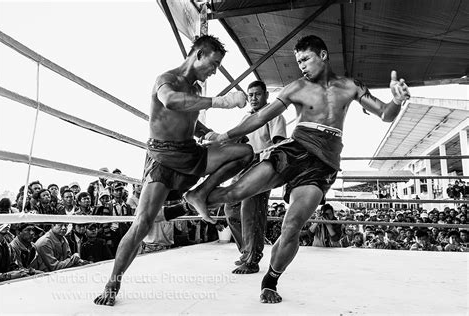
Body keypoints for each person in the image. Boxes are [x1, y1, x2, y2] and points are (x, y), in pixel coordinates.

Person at [193, 35, 410, 303]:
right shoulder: (296, 87)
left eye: (305, 59)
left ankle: (270, 279)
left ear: (323, 55)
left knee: (292, 225)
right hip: (295, 148)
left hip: (322, 164)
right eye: (298, 61)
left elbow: (385, 114)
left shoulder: (350, 86)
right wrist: (225, 135)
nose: (302, 66)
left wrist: (397, 100)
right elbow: (261, 116)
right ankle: (181, 205)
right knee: (237, 192)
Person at [94, 34, 253, 306]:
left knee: (244, 152)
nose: (214, 71)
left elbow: (189, 118)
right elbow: (170, 102)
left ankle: (199, 194)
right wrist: (221, 102)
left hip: (191, 152)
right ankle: (113, 281)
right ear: (198, 54)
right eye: (213, 64)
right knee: (143, 222)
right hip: (162, 157)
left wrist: (211, 132)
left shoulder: (197, 89)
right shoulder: (166, 79)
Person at [224, 80, 287, 274]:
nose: (253, 98)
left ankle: (252, 259)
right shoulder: (246, 118)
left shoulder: (274, 116)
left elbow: (279, 143)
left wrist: (273, 171)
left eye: (257, 94)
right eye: (250, 95)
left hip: (262, 165)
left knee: (251, 210)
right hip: (243, 166)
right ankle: (247, 252)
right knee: (230, 208)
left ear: (266, 95)